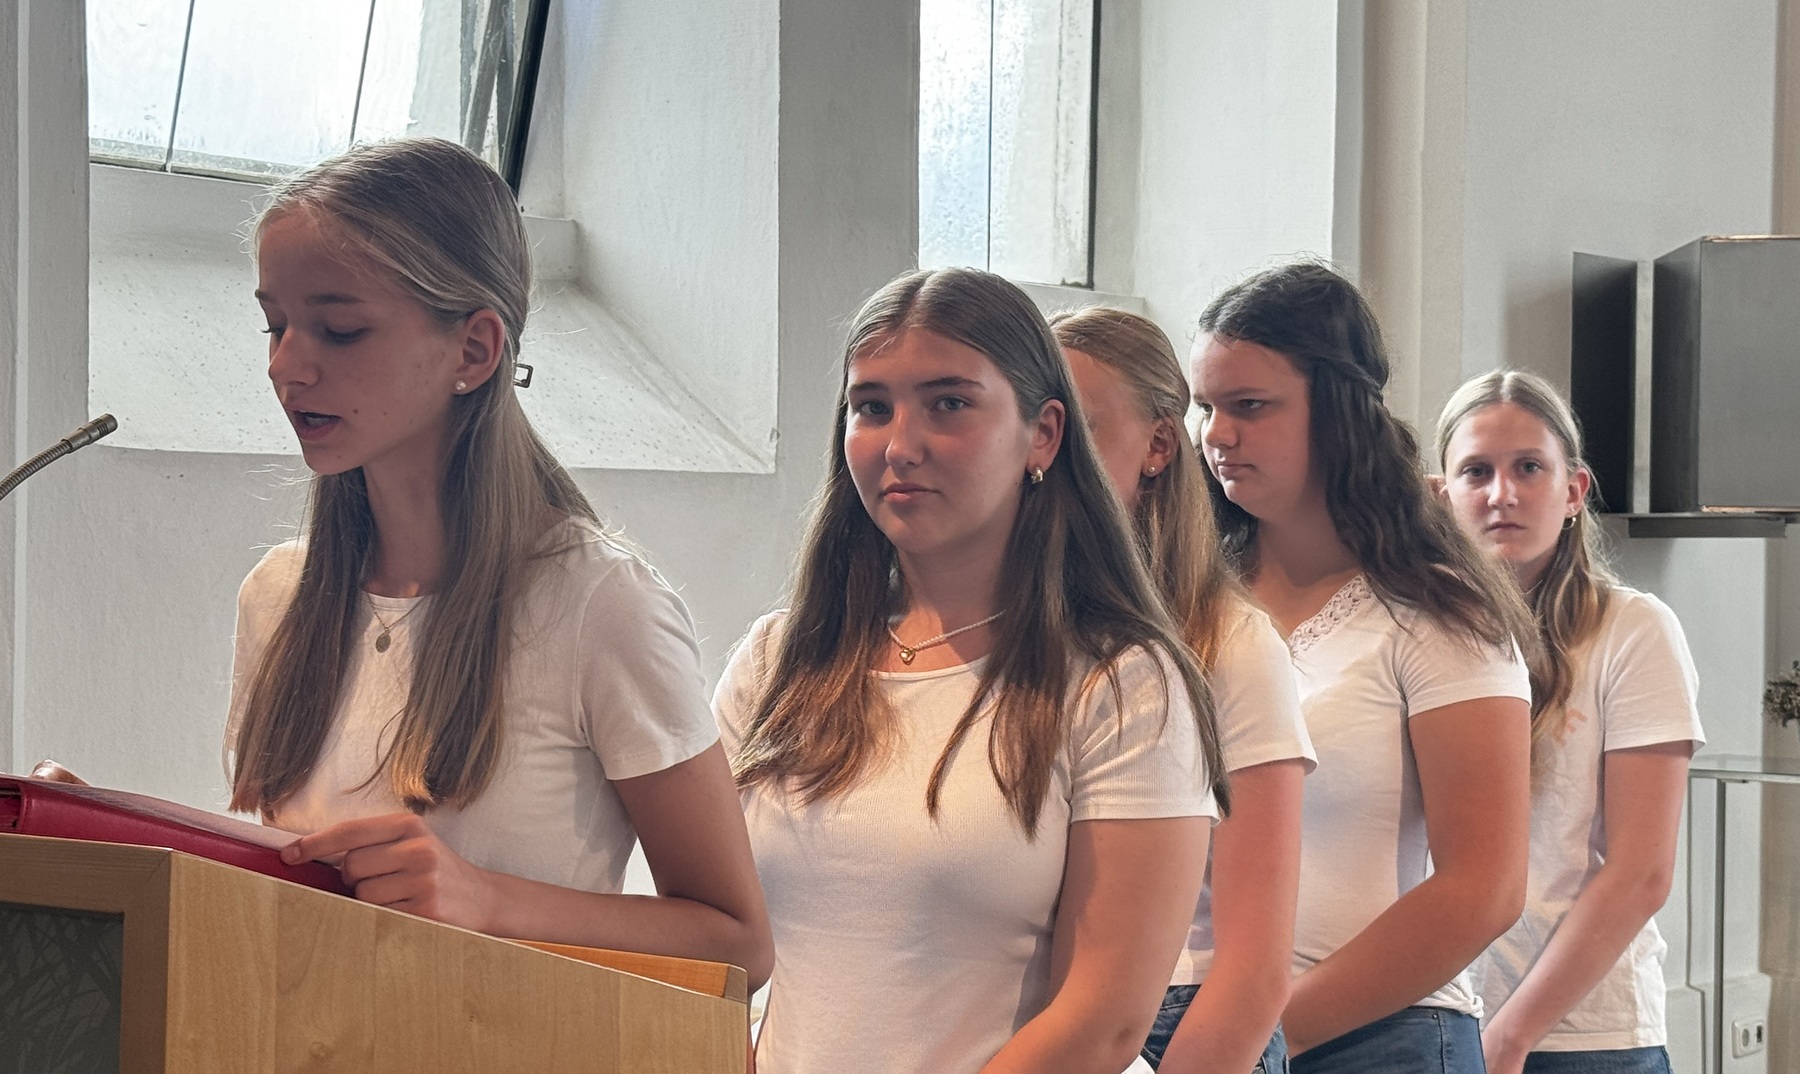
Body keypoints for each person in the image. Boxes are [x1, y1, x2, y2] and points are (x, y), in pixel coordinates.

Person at [226, 137, 771, 984]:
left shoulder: (599, 602)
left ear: (475, 350)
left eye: (340, 328)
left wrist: (488, 900)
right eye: (275, 324)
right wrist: (108, 840)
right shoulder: (278, 594)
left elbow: (737, 943)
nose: (285, 366)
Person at [715, 267, 1227, 1074]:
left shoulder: (1120, 682)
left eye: (948, 403)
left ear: (1043, 434)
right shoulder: (778, 662)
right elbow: (718, 953)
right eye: (871, 407)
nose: (900, 445)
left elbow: (1105, 1018)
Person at [1190, 259, 1534, 1073]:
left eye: (1250, 406)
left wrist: (1264, 1035)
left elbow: (1484, 886)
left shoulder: (1436, 610)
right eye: (1205, 407)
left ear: (1339, 410)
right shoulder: (1193, 602)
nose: (1217, 434)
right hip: (1196, 1030)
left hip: (1381, 1039)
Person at [1053, 307, 1312, 1074]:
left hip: (1181, 1017)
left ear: (1159, 446)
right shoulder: (1014, 631)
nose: (1046, 457)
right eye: (1033, 427)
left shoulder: (1230, 641)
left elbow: (1254, 968)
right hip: (1046, 1016)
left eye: (1080, 431)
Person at [1436, 370, 1701, 1074]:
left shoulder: (1632, 629)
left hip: (1587, 1039)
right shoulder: (1422, 636)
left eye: (1529, 467)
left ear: (1575, 490)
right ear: (1441, 496)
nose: (1502, 493)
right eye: (1476, 471)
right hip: (1437, 1020)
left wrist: (1510, 1036)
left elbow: (1641, 872)